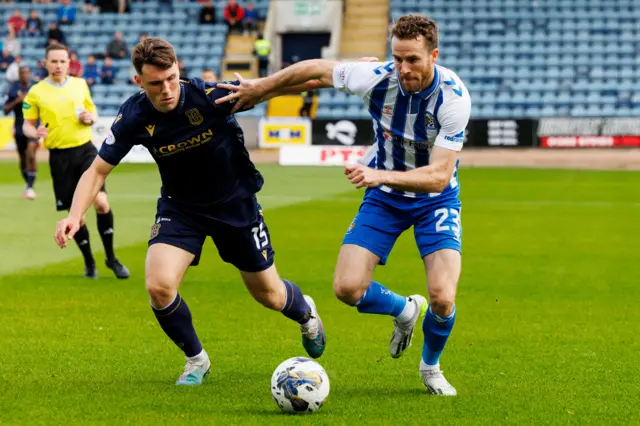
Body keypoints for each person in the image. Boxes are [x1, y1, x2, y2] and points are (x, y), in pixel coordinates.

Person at [215, 14, 471, 396]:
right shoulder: (379, 77)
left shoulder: (453, 98)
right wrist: (260, 89)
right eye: (397, 58)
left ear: (433, 55)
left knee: (443, 296)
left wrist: (379, 175)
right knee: (347, 288)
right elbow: (314, 69)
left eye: (413, 59)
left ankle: (430, 367)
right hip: (384, 198)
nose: (403, 68)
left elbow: (437, 175)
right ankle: (404, 310)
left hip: (434, 199)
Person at [53, 38, 327, 386]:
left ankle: (306, 314)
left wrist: (334, 77)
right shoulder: (134, 116)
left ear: (178, 69)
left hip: (235, 205)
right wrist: (75, 216)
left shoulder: (208, 96)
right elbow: (97, 171)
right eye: (156, 83)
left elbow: (272, 87)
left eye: (172, 77)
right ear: (139, 82)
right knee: (158, 286)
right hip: (181, 208)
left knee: (269, 295)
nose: (167, 89)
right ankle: (196, 360)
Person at [23, 43, 129, 280]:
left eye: (62, 61)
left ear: (69, 63)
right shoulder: (36, 92)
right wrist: (35, 133)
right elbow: (26, 126)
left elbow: (93, 113)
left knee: (101, 203)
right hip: (59, 157)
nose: (58, 65)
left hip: (86, 152)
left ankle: (111, 258)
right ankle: (89, 262)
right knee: (77, 217)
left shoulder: (80, 85)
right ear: (45, 63)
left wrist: (90, 118)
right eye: (54, 61)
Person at [4, 64, 38, 200]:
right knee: (23, 158)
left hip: (34, 126)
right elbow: (5, 110)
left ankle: (30, 187)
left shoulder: (36, 88)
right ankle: (28, 183)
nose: (24, 75)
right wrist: (17, 101)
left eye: (26, 72)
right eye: (21, 73)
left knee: (31, 153)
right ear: (19, 74)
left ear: (29, 73)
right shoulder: (13, 89)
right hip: (19, 127)